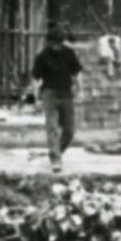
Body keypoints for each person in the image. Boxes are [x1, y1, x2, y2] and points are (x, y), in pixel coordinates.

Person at [28, 24, 83, 170]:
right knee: (52, 127)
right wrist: (35, 98)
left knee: (69, 131)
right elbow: (35, 78)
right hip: (49, 94)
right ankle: (56, 159)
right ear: (49, 42)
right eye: (54, 44)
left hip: (66, 94)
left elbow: (76, 72)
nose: (56, 47)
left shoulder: (69, 54)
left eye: (59, 44)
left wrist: (80, 88)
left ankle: (57, 151)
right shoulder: (42, 57)